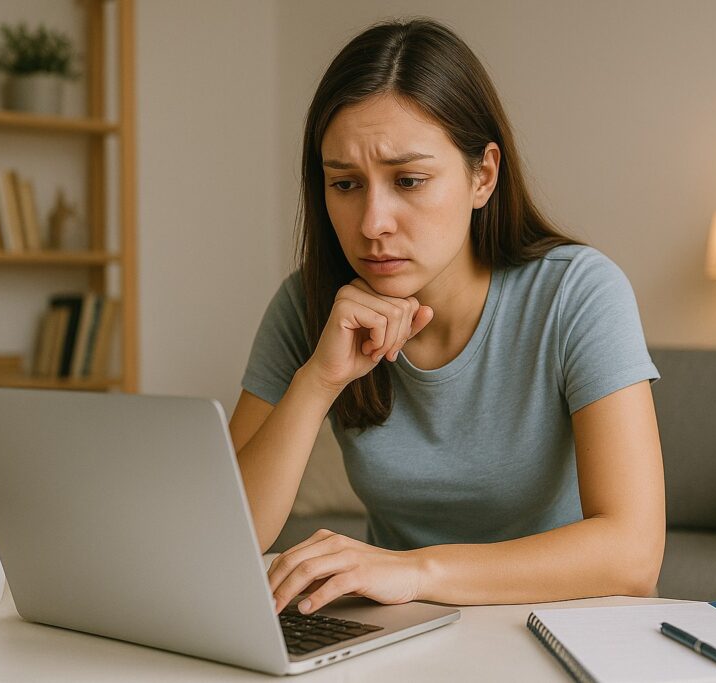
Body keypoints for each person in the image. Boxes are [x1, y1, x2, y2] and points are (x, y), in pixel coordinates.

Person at [230, 17, 665, 616]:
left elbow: (632, 555)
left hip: (563, 623)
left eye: (408, 180)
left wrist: (412, 571)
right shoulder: (309, 307)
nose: (372, 222)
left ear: (482, 176)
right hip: (398, 629)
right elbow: (230, 538)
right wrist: (318, 382)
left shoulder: (577, 292)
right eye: (346, 184)